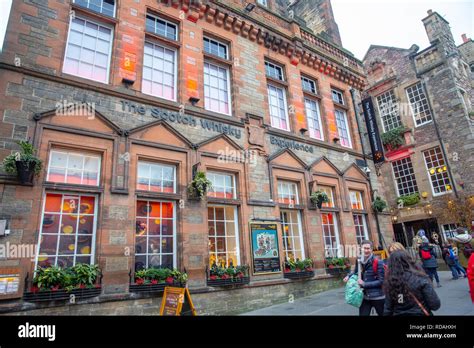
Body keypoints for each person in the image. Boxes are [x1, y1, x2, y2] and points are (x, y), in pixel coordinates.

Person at [384, 250, 441, 316]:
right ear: (408, 260)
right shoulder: (420, 278)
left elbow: (387, 308)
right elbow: (435, 304)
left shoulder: (390, 282)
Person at [343, 240, 385, 316]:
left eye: (368, 248)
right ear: (361, 249)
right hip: (364, 296)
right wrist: (349, 276)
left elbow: (381, 281)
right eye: (364, 248)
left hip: (378, 296)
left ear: (371, 249)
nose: (366, 250)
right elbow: (356, 271)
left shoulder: (378, 262)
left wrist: (364, 284)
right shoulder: (359, 260)